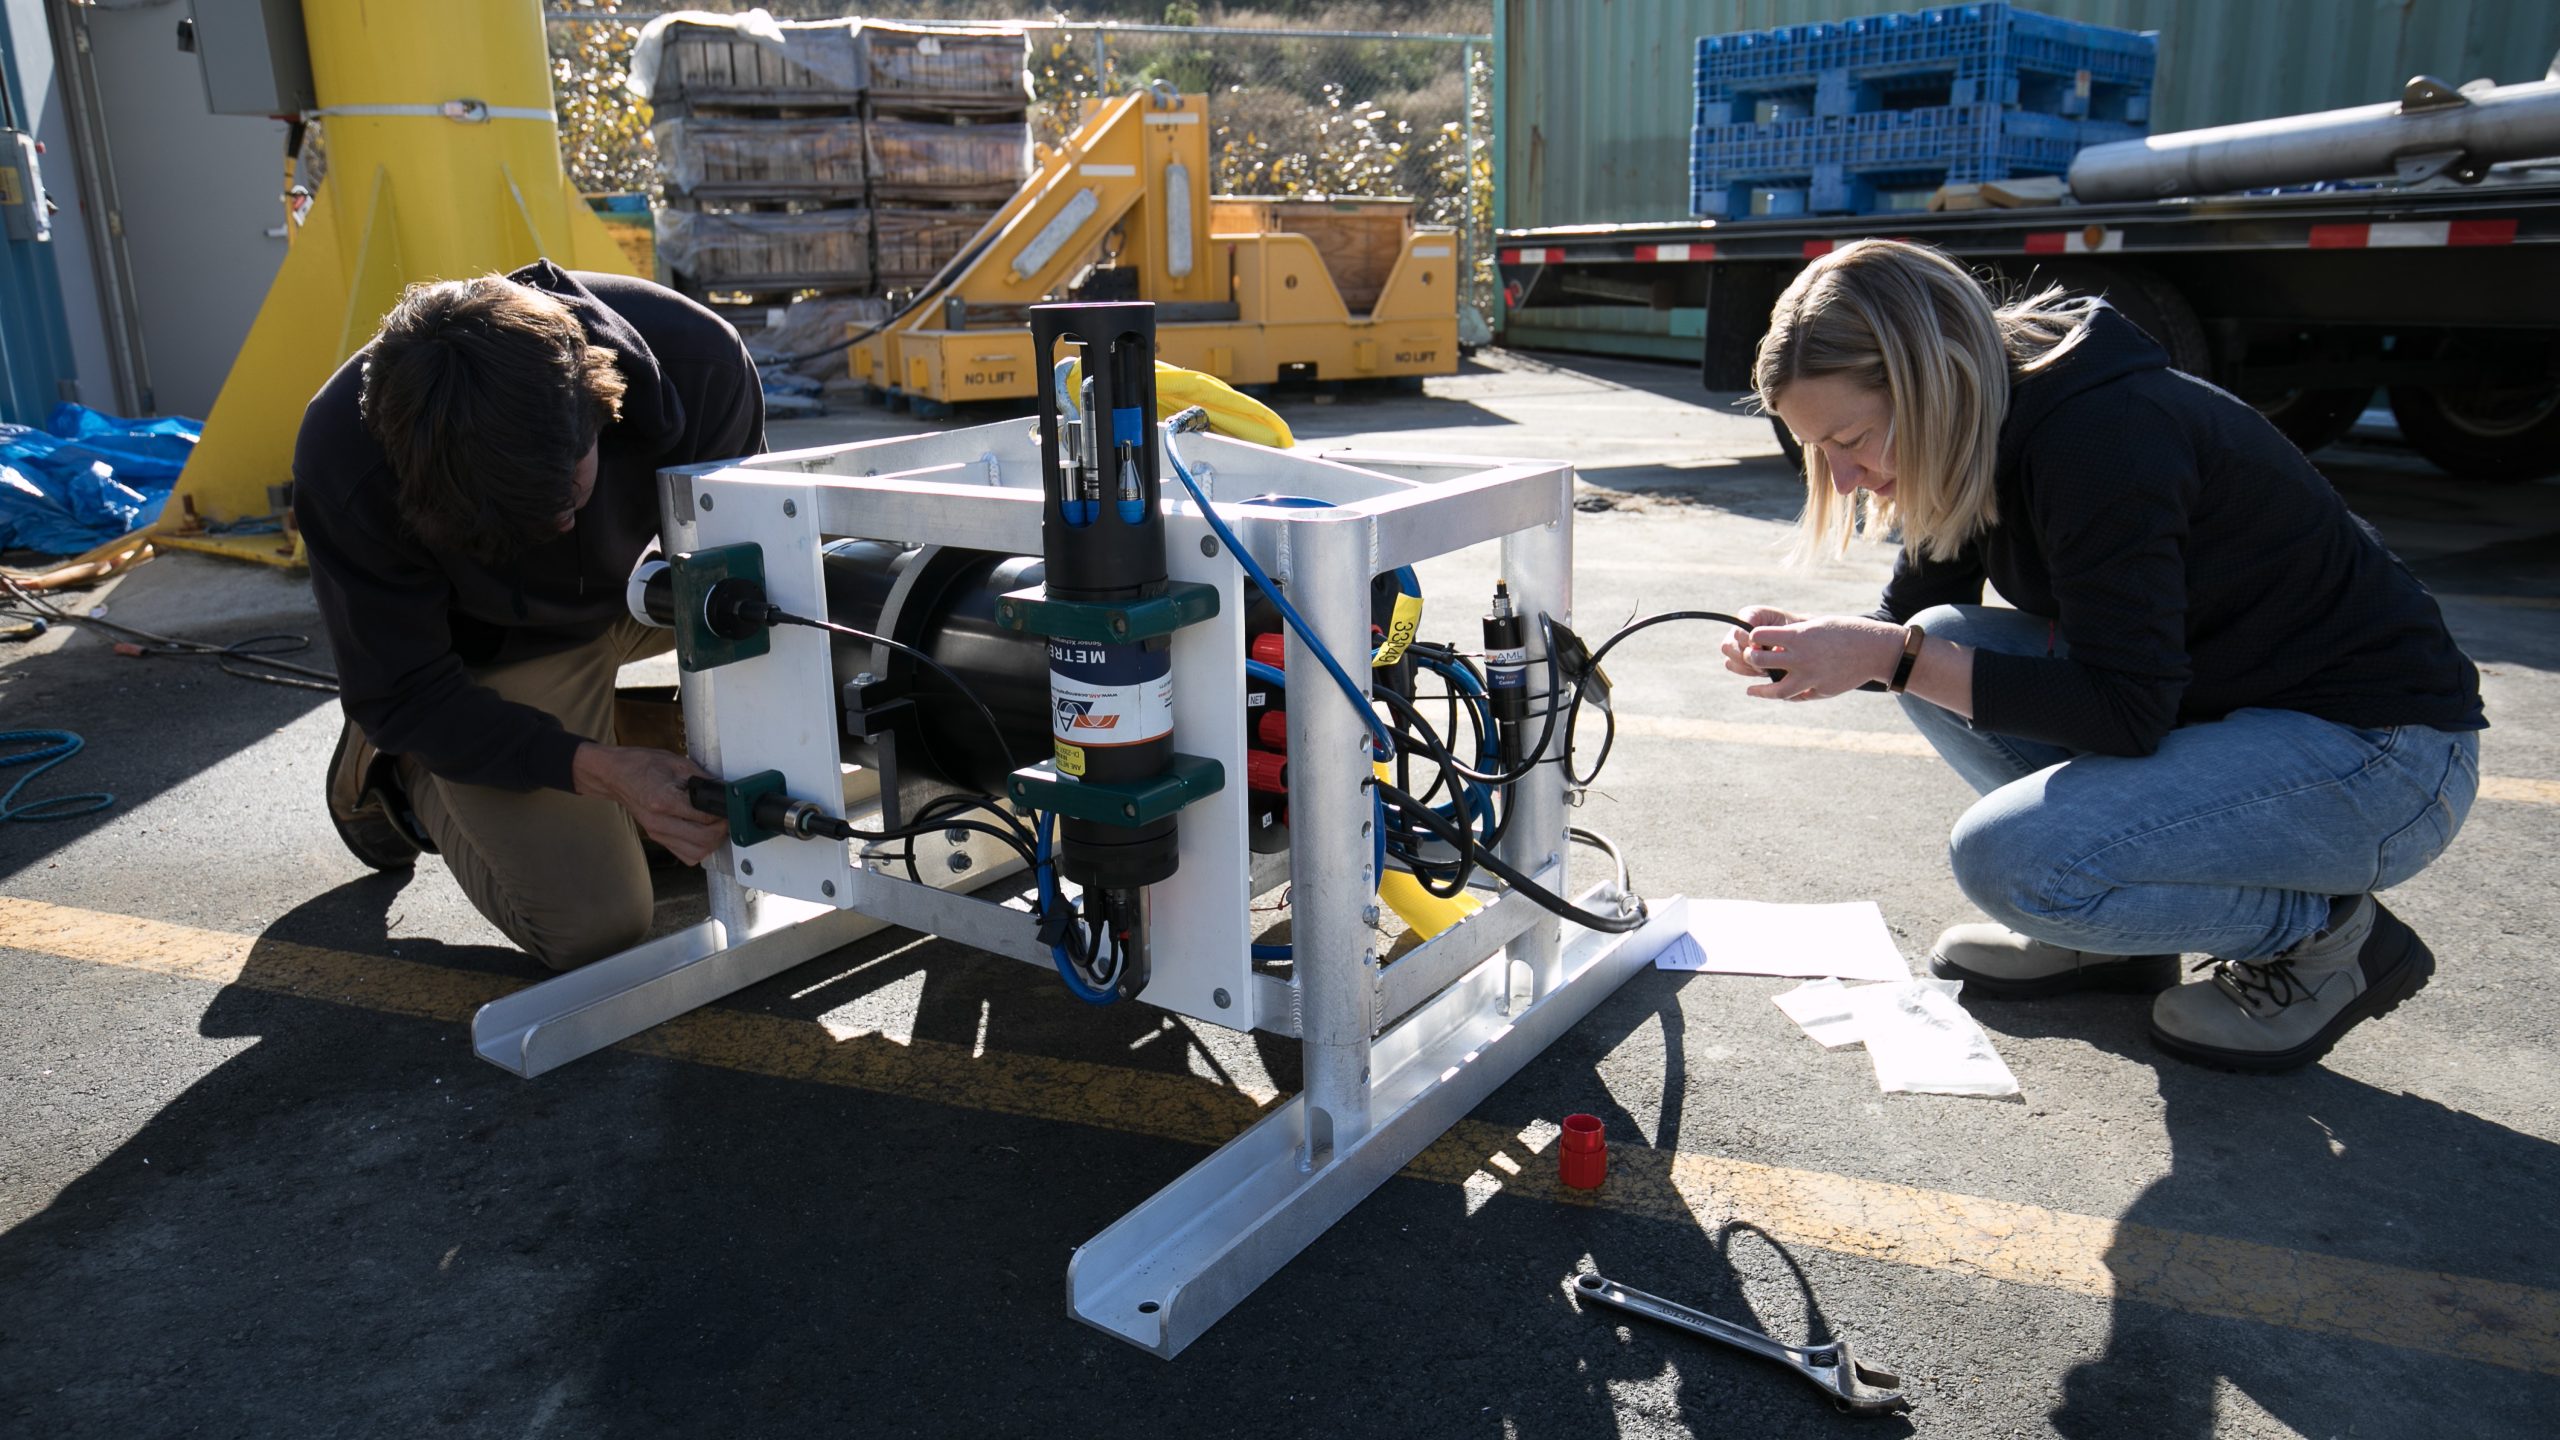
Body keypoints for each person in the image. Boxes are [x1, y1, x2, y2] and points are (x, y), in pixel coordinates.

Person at [1722, 239, 2483, 1073]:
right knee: (1939, 633)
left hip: (2383, 758)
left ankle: (2331, 944)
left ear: (1929, 379)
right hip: (2234, 713)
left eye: (1850, 438)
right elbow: (1904, 625)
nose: (1841, 477)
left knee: (2007, 860)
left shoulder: (2103, 436)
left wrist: (1888, 655)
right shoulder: (1982, 418)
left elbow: (2125, 709)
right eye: (1815, 451)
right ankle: (2108, 939)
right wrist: (1822, 646)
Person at [299, 261, 764, 969]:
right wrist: (606, 772)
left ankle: (600, 732)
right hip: (493, 648)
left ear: (603, 403)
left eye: (568, 499)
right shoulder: (344, 453)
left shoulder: (699, 361)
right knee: (595, 930)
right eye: (523, 520)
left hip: (649, 590)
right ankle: (402, 769)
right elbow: (403, 689)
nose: (556, 526)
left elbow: (755, 570)